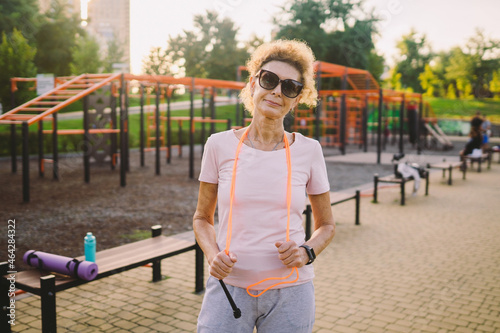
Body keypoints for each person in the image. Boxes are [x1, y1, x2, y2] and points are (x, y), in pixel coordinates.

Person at [193, 39, 335, 333]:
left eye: (290, 87)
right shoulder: (218, 145)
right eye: (269, 80)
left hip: (291, 292)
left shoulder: (309, 150)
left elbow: (327, 225)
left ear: (297, 98)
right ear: (253, 84)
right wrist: (211, 253)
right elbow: (201, 219)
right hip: (229, 288)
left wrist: (307, 251)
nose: (276, 91)